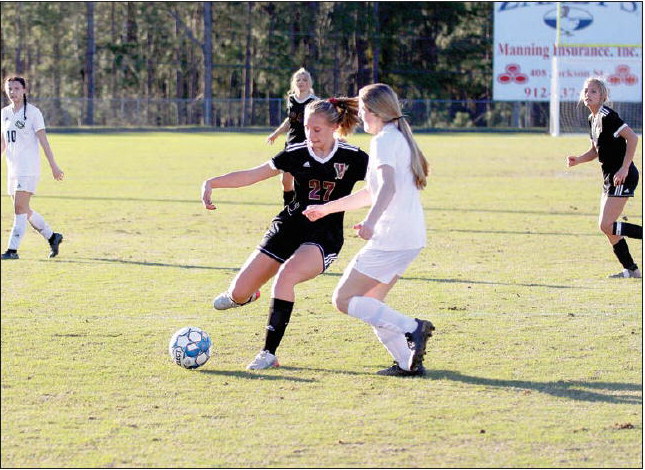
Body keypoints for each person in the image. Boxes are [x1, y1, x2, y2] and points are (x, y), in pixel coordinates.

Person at [202, 97, 368, 370]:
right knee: (238, 293)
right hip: (289, 227)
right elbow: (252, 175)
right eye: (306, 128)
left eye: (317, 130)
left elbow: (383, 185)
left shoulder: (353, 157)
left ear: (335, 127)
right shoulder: (296, 152)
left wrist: (373, 219)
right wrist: (212, 183)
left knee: (286, 277)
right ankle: (245, 296)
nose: (310, 135)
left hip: (323, 237)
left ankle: (269, 353)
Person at [303, 83, 434, 377]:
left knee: (343, 300)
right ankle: (407, 363)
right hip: (411, 238)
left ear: (374, 111)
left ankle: (413, 328)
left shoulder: (385, 140)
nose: (360, 115)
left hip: (392, 238)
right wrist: (326, 208)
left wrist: (372, 222)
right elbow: (372, 192)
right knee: (371, 304)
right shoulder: (396, 136)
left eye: (362, 110)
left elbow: (386, 187)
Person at [566, 77, 641, 278]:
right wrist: (579, 160)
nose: (587, 94)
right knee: (607, 227)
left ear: (602, 96)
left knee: (606, 225)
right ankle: (631, 270)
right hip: (610, 177)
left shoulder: (608, 115)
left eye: (593, 92)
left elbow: (633, 137)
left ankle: (631, 268)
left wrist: (624, 168)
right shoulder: (592, 119)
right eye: (586, 90)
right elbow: (595, 150)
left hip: (622, 175)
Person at [1, 76, 64, 260]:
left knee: (19, 208)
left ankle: (12, 250)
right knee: (24, 209)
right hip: (12, 169)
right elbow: (3, 143)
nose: (13, 92)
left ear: (24, 90)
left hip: (28, 168)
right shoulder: (4, 113)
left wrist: (54, 165)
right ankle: (52, 236)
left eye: (17, 88)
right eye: (9, 89)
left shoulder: (33, 113)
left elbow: (44, 142)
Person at [266, 68, 317, 205]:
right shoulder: (291, 99)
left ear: (309, 83)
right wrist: (276, 134)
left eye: (304, 80)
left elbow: (322, 123)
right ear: (294, 83)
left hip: (308, 146)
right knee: (286, 181)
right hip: (291, 143)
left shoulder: (314, 102)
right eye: (298, 80)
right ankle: (288, 209)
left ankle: (303, 209)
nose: (301, 82)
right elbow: (290, 120)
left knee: (303, 181)